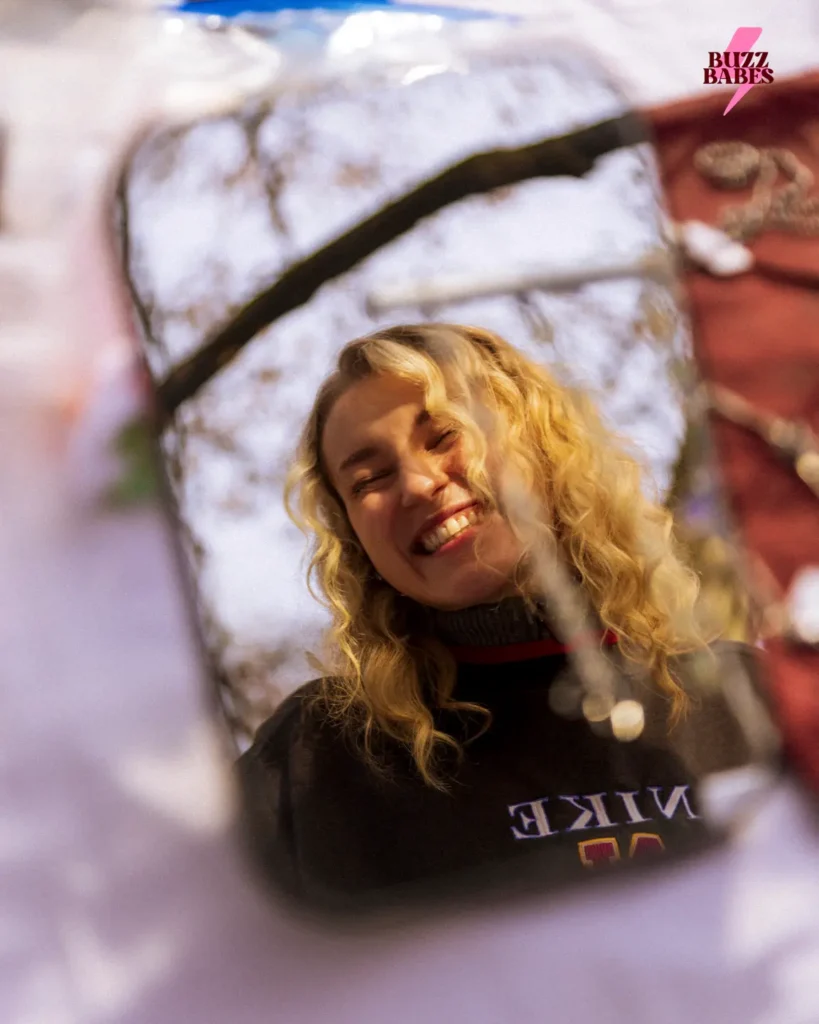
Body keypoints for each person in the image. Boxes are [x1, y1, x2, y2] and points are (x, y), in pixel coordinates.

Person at [238, 323, 765, 914]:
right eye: (370, 480)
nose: (416, 482)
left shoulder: (757, 705)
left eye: (443, 436)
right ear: (356, 541)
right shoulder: (316, 761)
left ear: (543, 444)